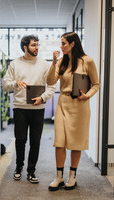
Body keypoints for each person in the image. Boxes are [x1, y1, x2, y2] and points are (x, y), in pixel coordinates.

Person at [46, 32, 99, 191]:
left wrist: (87, 95)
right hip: (63, 103)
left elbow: (96, 84)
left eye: (63, 43)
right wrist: (54, 63)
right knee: (59, 142)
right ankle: (59, 176)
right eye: (61, 43)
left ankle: (72, 176)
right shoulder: (61, 61)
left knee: (76, 141)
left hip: (80, 105)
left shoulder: (87, 61)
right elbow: (50, 81)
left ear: (72, 44)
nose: (61, 46)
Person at [2, 35, 56, 184]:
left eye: (37, 45)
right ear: (25, 47)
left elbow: (51, 86)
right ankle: (18, 168)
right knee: (20, 140)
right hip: (20, 108)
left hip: (38, 108)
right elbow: (5, 85)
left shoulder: (44, 64)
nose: (36, 47)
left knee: (35, 141)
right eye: (33, 45)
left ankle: (31, 171)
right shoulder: (15, 64)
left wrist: (43, 98)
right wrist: (15, 82)